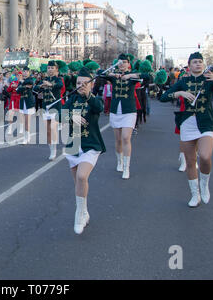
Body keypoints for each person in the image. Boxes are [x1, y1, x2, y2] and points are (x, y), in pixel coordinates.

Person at [160, 52, 213, 208]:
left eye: (200, 62)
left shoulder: (209, 80)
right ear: (189, 65)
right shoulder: (183, 81)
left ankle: (204, 183)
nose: (198, 64)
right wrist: (179, 93)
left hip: (205, 122)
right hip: (187, 123)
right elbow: (164, 97)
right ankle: (195, 194)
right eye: (195, 62)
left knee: (205, 156)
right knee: (190, 161)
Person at [62, 67, 106, 235]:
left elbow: (99, 108)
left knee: (82, 176)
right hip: (73, 144)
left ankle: (79, 214)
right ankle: (84, 210)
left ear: (91, 84)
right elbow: (58, 114)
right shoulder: (71, 98)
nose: (81, 85)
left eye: (84, 83)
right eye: (78, 83)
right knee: (78, 183)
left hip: (90, 145)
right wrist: (70, 116)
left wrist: (88, 95)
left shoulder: (95, 99)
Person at [104, 54, 151, 180]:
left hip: (129, 110)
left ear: (128, 63)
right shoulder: (114, 75)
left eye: (124, 62)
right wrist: (112, 74)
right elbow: (100, 74)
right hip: (115, 110)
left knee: (126, 138)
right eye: (120, 62)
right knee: (118, 139)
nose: (122, 64)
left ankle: (126, 167)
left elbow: (148, 76)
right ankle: (119, 161)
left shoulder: (133, 75)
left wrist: (131, 76)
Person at [33, 61, 64, 160]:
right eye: (49, 68)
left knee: (53, 128)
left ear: (56, 70)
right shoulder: (44, 79)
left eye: (52, 68)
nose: (50, 70)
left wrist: (50, 85)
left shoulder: (58, 79)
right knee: (48, 131)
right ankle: (51, 149)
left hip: (55, 107)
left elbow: (60, 86)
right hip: (45, 107)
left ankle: (54, 151)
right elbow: (35, 89)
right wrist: (40, 86)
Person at [16, 67, 36, 145]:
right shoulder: (22, 81)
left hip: (29, 102)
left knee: (27, 121)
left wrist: (22, 83)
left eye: (27, 71)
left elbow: (30, 83)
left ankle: (26, 138)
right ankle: (27, 136)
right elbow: (18, 90)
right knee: (24, 121)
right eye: (24, 71)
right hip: (22, 102)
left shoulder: (30, 79)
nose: (25, 73)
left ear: (29, 72)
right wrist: (24, 85)